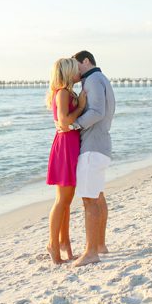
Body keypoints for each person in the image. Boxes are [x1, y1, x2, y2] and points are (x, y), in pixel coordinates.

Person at [63, 50, 115, 267]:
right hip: (101, 145)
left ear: (86, 61)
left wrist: (72, 125)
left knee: (89, 200)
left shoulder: (92, 79)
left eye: (77, 65)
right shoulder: (102, 79)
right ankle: (100, 245)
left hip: (93, 148)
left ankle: (91, 252)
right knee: (98, 196)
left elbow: (97, 112)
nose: (75, 70)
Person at [45, 57, 86, 264]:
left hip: (70, 143)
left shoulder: (68, 93)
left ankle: (65, 244)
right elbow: (63, 121)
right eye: (76, 70)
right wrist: (81, 107)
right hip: (65, 146)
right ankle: (53, 244)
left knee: (67, 201)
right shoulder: (62, 93)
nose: (79, 72)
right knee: (62, 200)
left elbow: (68, 122)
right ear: (68, 73)